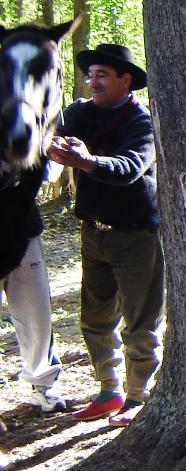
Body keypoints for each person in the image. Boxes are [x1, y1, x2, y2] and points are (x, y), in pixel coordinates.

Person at [46, 43, 164, 427]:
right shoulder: (80, 113)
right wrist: (53, 145)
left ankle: (138, 396)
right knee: (95, 319)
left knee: (140, 322)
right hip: (92, 232)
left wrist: (87, 161)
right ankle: (109, 390)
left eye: (101, 75)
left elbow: (129, 167)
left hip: (136, 236)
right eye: (90, 74)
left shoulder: (142, 122)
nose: (92, 82)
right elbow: (51, 133)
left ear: (125, 80)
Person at [0, 162, 65, 413]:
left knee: (36, 312)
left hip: (23, 230)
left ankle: (43, 384)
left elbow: (49, 171)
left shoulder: (25, 137)